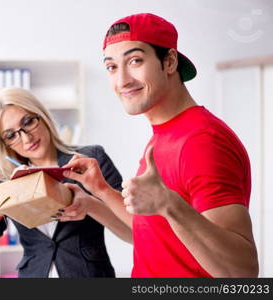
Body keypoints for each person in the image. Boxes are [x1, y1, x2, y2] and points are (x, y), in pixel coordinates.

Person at [61, 13, 259, 278]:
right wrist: (101, 191)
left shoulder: (201, 141)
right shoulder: (164, 135)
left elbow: (241, 274)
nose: (122, 81)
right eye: (111, 67)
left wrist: (170, 204)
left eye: (135, 61)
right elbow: (154, 235)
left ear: (169, 61)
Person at [0, 87, 131, 278]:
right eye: (11, 136)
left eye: (28, 122)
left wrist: (90, 205)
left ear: (41, 116)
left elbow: (133, 233)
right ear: (3, 143)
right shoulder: (8, 181)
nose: (26, 138)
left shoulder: (89, 159)